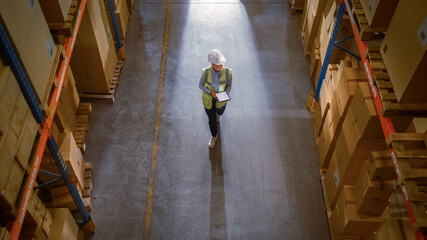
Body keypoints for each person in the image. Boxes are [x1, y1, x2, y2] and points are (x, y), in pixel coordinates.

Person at [199, 49, 232, 149]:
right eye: (218, 65)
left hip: (221, 99)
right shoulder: (205, 72)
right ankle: (214, 136)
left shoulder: (228, 72)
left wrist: (224, 94)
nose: (221, 66)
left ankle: (218, 115)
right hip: (209, 99)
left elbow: (229, 86)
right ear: (212, 64)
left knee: (220, 112)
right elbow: (200, 85)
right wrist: (210, 92)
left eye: (221, 64)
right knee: (211, 120)